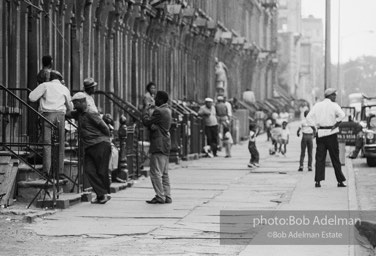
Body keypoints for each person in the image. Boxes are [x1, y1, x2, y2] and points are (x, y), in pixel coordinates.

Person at [68, 92, 112, 204]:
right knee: (89, 170)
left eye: (75, 103)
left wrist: (104, 140)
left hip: (100, 144)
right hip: (89, 146)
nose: (74, 105)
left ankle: (103, 194)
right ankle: (102, 194)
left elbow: (105, 128)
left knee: (101, 171)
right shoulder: (78, 113)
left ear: (83, 102)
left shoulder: (91, 113)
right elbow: (67, 114)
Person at [29, 70, 72, 176]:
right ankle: (59, 171)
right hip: (60, 116)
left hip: (47, 115)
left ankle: (46, 171)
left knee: (47, 144)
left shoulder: (45, 85)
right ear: (60, 79)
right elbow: (70, 107)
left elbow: (31, 97)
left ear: (50, 78)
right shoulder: (64, 88)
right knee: (60, 143)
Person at [306, 88, 346, 188]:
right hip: (331, 133)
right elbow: (342, 115)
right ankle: (340, 181)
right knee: (335, 158)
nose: (335, 97)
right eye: (334, 95)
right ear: (330, 96)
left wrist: (314, 128)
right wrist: (336, 124)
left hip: (320, 134)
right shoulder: (334, 105)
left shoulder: (317, 105)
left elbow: (308, 117)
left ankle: (318, 181)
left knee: (320, 158)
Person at [142, 91, 172, 204]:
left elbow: (146, 121)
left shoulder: (159, 111)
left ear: (160, 99)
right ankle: (167, 195)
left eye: (156, 98)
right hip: (165, 144)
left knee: (155, 172)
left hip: (158, 144)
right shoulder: (167, 110)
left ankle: (160, 196)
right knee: (164, 173)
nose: (155, 100)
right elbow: (154, 125)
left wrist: (145, 109)